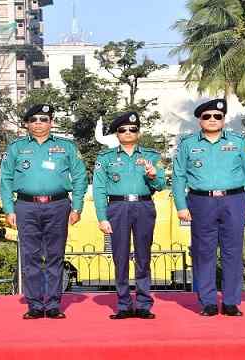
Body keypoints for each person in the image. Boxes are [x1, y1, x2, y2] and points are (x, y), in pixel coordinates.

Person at [172, 99, 245, 317]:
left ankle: (231, 301)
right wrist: (181, 205)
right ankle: (208, 301)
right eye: (207, 117)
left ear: (223, 119)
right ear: (199, 120)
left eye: (217, 117)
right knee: (204, 253)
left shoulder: (239, 143)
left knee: (232, 252)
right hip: (201, 202)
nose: (212, 120)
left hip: (234, 200)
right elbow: (178, 176)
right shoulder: (188, 144)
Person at [0, 104, 88, 319]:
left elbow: (80, 177)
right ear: (27, 124)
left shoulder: (66, 147)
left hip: (58, 205)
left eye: (44, 119)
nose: (39, 123)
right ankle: (35, 305)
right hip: (25, 206)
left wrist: (77, 207)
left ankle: (54, 304)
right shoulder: (16, 147)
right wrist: (8, 208)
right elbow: (6, 179)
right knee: (30, 256)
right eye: (34, 120)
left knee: (54, 256)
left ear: (51, 122)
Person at [93, 112, 166, 320]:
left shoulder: (151, 156)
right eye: (122, 130)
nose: (127, 132)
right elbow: (99, 189)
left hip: (143, 206)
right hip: (117, 207)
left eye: (132, 129)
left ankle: (143, 303)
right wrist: (102, 217)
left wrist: (152, 176)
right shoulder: (105, 158)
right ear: (117, 134)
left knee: (143, 256)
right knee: (120, 256)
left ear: (139, 133)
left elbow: (161, 184)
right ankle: (123, 303)